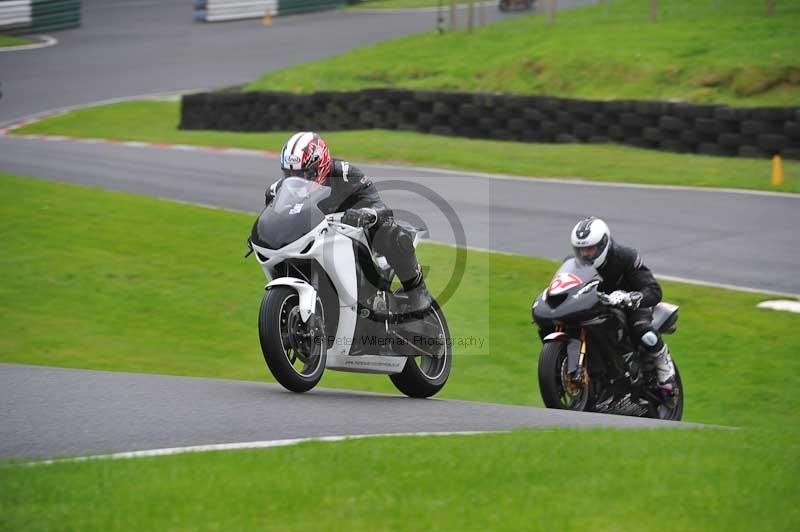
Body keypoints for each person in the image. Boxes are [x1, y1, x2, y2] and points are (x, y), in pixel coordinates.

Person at [265, 131, 432, 316]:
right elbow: (274, 215)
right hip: (316, 239)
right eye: (290, 174)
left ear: (321, 166)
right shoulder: (278, 189)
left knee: (389, 230)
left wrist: (365, 213)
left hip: (355, 234)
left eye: (305, 174)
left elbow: (379, 206)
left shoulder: (345, 174)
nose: (298, 180)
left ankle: (416, 289)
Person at [570, 216, 677, 392]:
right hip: (599, 305)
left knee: (642, 330)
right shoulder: (575, 264)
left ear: (603, 244)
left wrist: (630, 297)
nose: (585, 254)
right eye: (581, 249)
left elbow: (653, 289)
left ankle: (663, 364)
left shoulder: (626, 257)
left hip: (633, 304)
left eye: (590, 249)